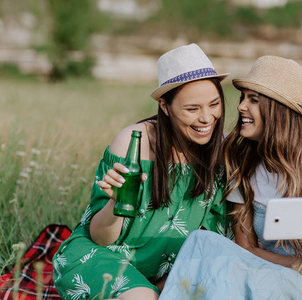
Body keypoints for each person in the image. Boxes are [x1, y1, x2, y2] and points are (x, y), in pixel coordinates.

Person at [159, 56, 302, 299]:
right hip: (275, 272)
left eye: (253, 100)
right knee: (202, 242)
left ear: (278, 111)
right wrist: (298, 264)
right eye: (243, 98)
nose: (241, 107)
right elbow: (247, 248)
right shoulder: (245, 163)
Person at [52, 43, 231, 300]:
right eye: (192, 109)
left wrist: (169, 282)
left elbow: (213, 240)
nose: (207, 118)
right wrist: (115, 200)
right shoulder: (133, 144)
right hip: (104, 257)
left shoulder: (222, 151)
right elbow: (102, 239)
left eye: (214, 104)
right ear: (165, 105)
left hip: (170, 269)